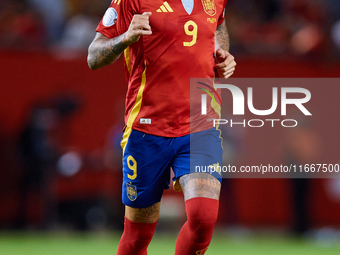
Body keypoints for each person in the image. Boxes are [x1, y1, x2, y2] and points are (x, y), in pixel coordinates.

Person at [87, 0, 236, 254]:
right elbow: (94, 56)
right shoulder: (131, 1)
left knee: (203, 219)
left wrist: (222, 54)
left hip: (200, 125)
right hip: (147, 128)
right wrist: (126, 37)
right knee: (137, 236)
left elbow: (218, 26)